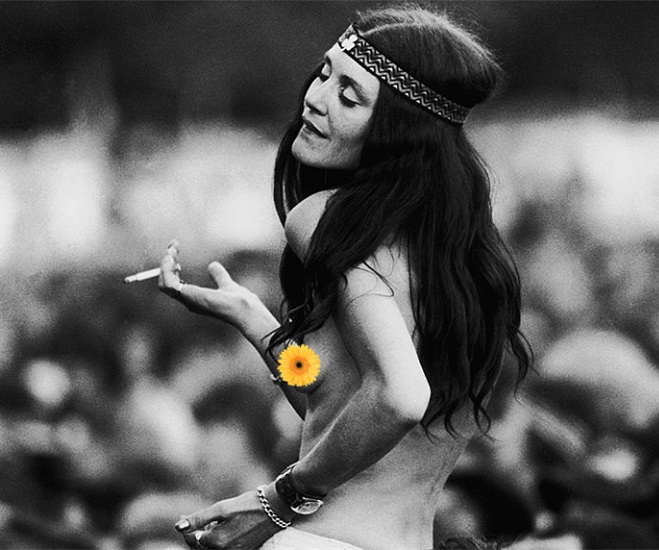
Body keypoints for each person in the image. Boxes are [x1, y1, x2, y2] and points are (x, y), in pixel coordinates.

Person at [155, 5, 531, 549]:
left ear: (398, 133)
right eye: (325, 74)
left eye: (349, 96)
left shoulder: (325, 218)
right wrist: (250, 317)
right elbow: (339, 416)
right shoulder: (469, 260)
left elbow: (401, 396)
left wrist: (281, 499)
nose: (315, 98)